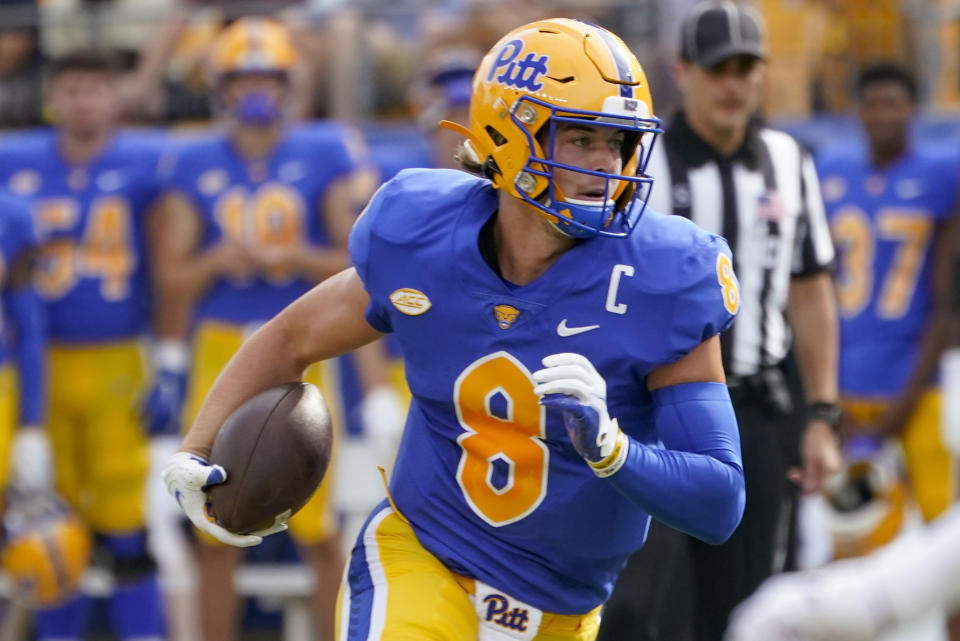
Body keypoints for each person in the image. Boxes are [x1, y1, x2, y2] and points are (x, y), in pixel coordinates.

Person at [164, 17, 748, 640]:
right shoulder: (425, 236)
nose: (608, 163)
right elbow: (291, 339)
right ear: (510, 135)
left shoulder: (662, 276)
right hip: (422, 557)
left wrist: (612, 449)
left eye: (620, 143)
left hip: (561, 609)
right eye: (581, 138)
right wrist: (197, 450)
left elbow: (719, 502)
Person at [598, 3, 842, 640]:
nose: (732, 84)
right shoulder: (640, 163)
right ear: (683, 72)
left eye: (745, 68)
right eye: (718, 69)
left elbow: (811, 293)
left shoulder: (790, 161)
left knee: (751, 609)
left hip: (758, 412)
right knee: (637, 606)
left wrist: (820, 414)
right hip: (656, 414)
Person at [153, 16, 388, 641]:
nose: (254, 91)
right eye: (241, 78)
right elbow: (172, 277)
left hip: (304, 349)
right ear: (219, 87)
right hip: (221, 347)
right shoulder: (193, 156)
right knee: (212, 519)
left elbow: (356, 258)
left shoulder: (325, 149)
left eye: (266, 77)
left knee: (319, 526)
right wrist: (214, 262)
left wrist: (296, 260)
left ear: (288, 84)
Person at [0, 52, 169, 641]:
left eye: (95, 90)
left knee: (125, 520)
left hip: (115, 355)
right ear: (52, 100)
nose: (83, 102)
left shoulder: (147, 162)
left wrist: (167, 359)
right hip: (37, 362)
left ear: (116, 99)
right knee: (48, 525)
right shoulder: (15, 164)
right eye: (71, 90)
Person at [817, 61, 958, 523]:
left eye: (893, 104)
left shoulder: (941, 173)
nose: (883, 115)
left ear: (913, 110)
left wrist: (899, 410)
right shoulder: (831, 170)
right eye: (874, 104)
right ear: (858, 110)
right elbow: (814, 289)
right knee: (854, 534)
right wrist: (831, 396)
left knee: (944, 533)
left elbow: (945, 299)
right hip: (848, 382)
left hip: (918, 384)